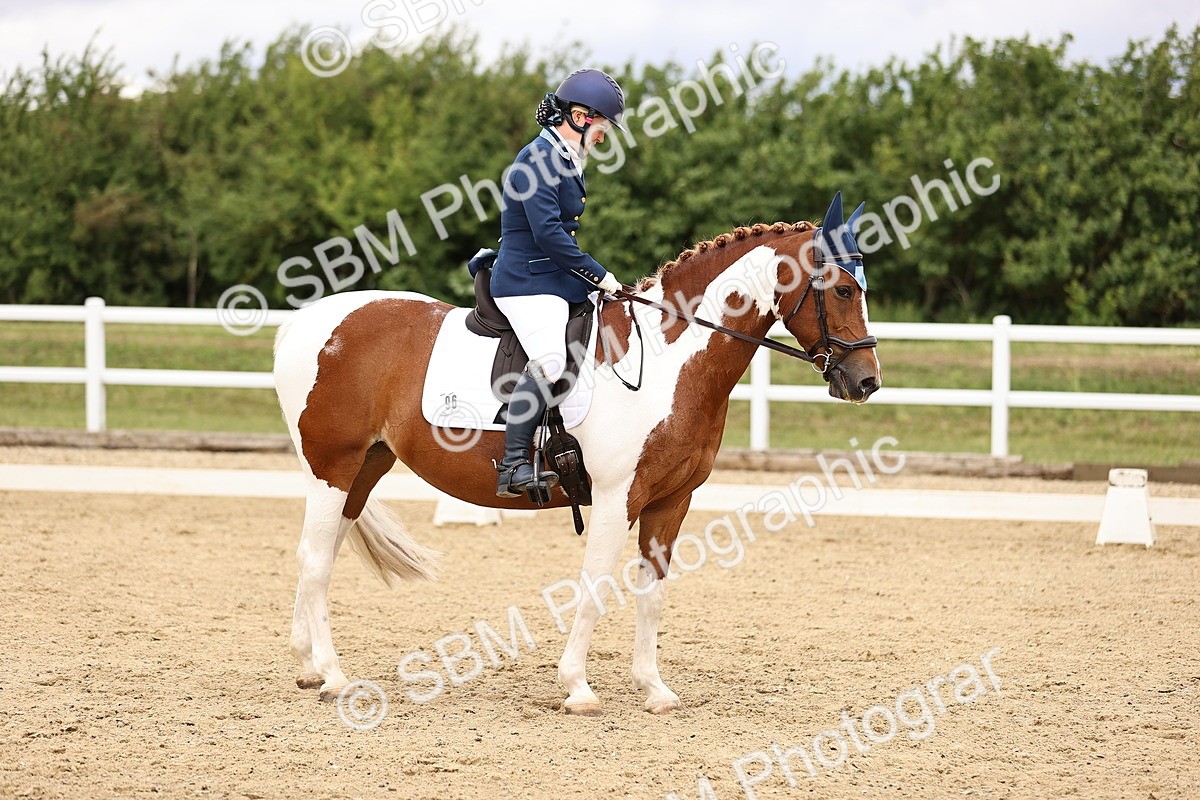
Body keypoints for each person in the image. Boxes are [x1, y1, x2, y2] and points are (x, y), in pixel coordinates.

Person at [490, 68, 626, 499]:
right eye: (603, 125)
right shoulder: (537, 159)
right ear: (582, 116)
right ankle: (512, 466)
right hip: (525, 279)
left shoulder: (564, 155)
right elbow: (548, 233)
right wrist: (599, 274)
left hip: (552, 276)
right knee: (550, 360)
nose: (605, 135)